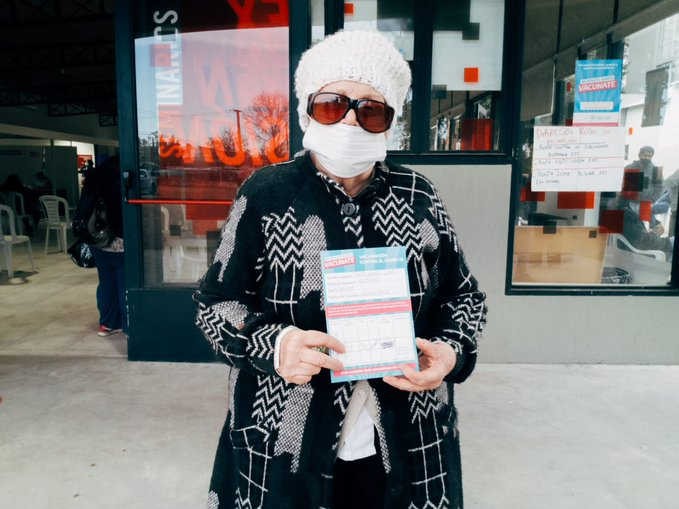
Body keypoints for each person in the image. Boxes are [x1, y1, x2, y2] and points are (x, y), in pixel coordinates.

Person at [194, 30, 487, 509]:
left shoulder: (418, 195)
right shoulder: (266, 194)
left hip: (408, 436)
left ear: (390, 123)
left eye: (371, 110)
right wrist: (275, 345)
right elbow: (215, 304)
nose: (350, 120)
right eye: (332, 104)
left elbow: (463, 296)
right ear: (306, 110)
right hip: (285, 437)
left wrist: (451, 352)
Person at [73, 156, 125, 337]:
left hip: (97, 242)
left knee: (106, 283)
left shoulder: (91, 184)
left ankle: (107, 323)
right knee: (123, 282)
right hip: (118, 242)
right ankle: (127, 324)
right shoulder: (118, 185)